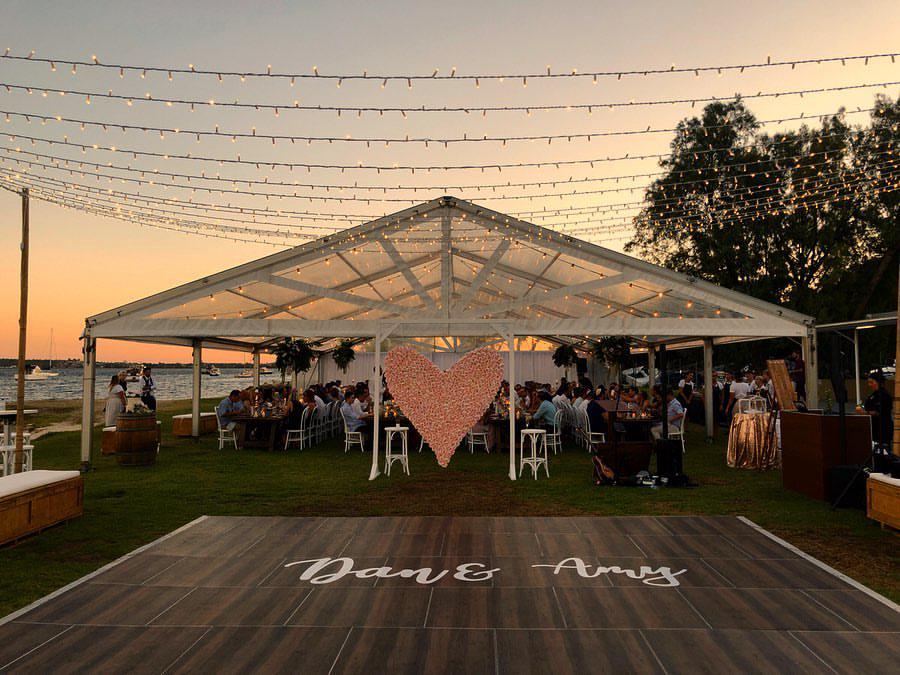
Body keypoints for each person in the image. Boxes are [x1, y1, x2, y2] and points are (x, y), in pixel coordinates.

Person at [857, 372, 894, 445]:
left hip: (882, 430)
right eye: (868, 382)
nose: (869, 385)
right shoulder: (873, 395)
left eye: (871, 382)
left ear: (879, 382)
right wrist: (862, 408)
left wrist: (865, 412)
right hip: (872, 429)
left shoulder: (884, 395)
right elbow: (867, 406)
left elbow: (879, 412)